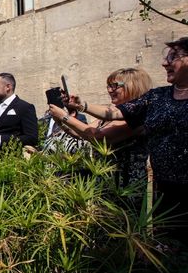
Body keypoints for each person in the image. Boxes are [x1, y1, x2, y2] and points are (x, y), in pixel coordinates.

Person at [68, 38, 188, 244]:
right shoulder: (158, 97)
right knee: (168, 249)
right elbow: (114, 113)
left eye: (172, 57)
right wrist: (82, 105)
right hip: (165, 188)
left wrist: (64, 116)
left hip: (136, 182)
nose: (165, 63)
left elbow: (99, 136)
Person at [49, 68, 152, 188]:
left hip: (124, 184)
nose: (109, 90)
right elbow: (81, 133)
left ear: (133, 86)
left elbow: (97, 137)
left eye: (114, 86)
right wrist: (60, 120)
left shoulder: (137, 117)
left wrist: (64, 116)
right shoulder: (107, 115)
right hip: (103, 181)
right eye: (108, 86)